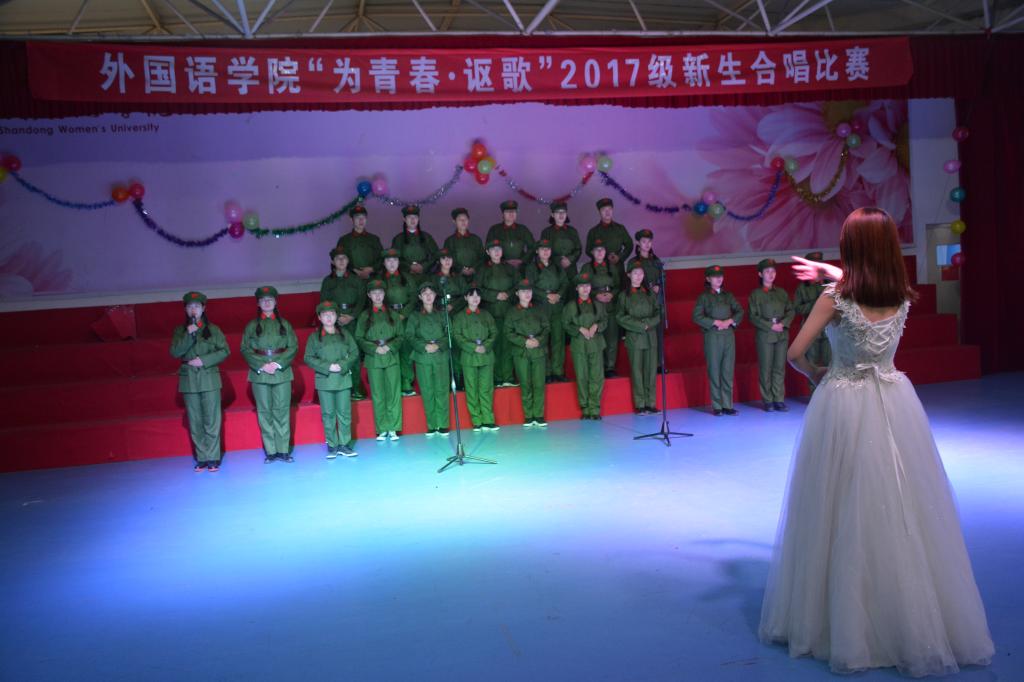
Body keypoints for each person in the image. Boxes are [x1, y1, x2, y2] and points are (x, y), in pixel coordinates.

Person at [759, 207, 993, 676]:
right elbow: (864, 284)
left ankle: (844, 616)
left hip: (844, 401)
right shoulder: (901, 295)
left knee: (839, 502)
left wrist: (817, 372)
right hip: (893, 398)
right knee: (899, 501)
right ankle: (907, 610)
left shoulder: (835, 299)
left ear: (850, 248)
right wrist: (833, 272)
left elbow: (796, 352)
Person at [170, 291, 230, 471]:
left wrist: (204, 360)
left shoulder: (213, 329)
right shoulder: (180, 330)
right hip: (189, 378)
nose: (193, 309)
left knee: (212, 419)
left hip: (209, 376)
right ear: (185, 309)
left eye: (196, 306)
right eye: (190, 306)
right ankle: (202, 457)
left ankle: (213, 457)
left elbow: (225, 351)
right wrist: (189, 334)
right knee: (195, 420)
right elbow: (174, 352)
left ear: (204, 308)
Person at [241, 286, 299, 462]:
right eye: (263, 300)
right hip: (260, 373)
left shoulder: (284, 324)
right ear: (258, 303)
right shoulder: (252, 326)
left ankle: (283, 450)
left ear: (276, 302)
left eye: (270, 299)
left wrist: (277, 363)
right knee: (264, 412)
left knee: (282, 412)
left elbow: (293, 346)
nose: (267, 302)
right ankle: (271, 451)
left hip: (281, 371)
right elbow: (245, 349)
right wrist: (262, 365)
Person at [304, 300, 360, 458]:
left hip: (343, 379)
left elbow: (354, 352)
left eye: (332, 314)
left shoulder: (345, 334)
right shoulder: (314, 337)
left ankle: (344, 444)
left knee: (344, 413)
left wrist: (342, 365)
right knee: (328, 414)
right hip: (325, 380)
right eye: (325, 314)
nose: (329, 317)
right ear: (319, 317)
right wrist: (328, 366)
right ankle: (332, 445)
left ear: (337, 316)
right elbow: (308, 357)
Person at [354, 279, 403, 441]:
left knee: (393, 393)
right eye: (374, 293)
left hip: (391, 356)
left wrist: (389, 346)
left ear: (384, 294)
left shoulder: (393, 315)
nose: (377, 296)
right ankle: (382, 428)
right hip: (373, 357)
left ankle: (393, 427)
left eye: (380, 292)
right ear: (369, 295)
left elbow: (401, 336)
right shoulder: (364, 316)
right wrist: (374, 348)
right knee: (378, 394)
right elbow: (359, 337)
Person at [691, 265, 743, 416]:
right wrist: (714, 322)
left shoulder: (728, 296)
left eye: (721, 276)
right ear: (708, 279)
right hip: (713, 336)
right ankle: (717, 406)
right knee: (714, 370)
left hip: (728, 335)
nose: (719, 278)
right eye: (715, 276)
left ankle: (727, 405)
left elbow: (740, 311)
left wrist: (730, 321)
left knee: (727, 370)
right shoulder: (704, 297)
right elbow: (696, 316)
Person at [319, 246, 367, 400]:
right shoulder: (328, 281)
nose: (341, 261)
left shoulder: (356, 279)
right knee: (337, 354)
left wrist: (352, 316)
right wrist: (336, 317)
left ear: (348, 261)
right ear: (333, 261)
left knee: (354, 354)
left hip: (353, 321)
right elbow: (324, 301)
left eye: (344, 258)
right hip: (334, 322)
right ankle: (340, 387)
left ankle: (356, 388)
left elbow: (362, 300)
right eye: (338, 258)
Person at [404, 282, 452, 436]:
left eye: (431, 293)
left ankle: (443, 424)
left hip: (440, 356)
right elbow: (409, 335)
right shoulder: (415, 316)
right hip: (423, 357)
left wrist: (439, 345)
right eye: (425, 293)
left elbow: (449, 333)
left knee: (442, 390)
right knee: (427, 390)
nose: (428, 296)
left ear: (435, 295)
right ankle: (432, 425)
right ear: (420, 297)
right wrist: (424, 346)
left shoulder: (442, 314)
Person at [748, 258, 795, 412]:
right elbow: (753, 316)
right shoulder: (756, 294)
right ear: (760, 274)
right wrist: (770, 326)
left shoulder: (781, 293)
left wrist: (783, 323)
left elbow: (790, 310)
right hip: (766, 334)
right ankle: (768, 400)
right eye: (767, 271)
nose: (771, 274)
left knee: (779, 368)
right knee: (766, 368)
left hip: (781, 333)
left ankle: (779, 399)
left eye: (773, 271)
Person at [451, 287, 499, 431]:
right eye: (472, 295)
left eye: (478, 295)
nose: (475, 298)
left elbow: (494, 332)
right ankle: (477, 420)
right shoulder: (459, 317)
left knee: (486, 389)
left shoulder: (486, 315)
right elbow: (457, 336)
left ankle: (488, 420)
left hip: (486, 356)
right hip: (469, 357)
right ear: (466, 298)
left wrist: (486, 346)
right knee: (471, 389)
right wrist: (473, 347)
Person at [505, 278, 551, 427]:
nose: (527, 294)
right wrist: (524, 342)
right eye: (523, 291)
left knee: (539, 384)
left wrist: (539, 340)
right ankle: (528, 416)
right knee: (525, 384)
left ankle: (539, 415)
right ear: (517, 293)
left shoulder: (539, 310)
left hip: (538, 351)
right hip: (521, 352)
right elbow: (508, 332)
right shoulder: (512, 312)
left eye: (529, 291)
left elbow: (546, 328)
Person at [617, 261, 661, 415]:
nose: (638, 276)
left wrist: (649, 323)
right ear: (629, 275)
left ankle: (651, 403)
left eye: (641, 273)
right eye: (635, 273)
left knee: (651, 371)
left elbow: (658, 312)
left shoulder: (650, 293)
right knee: (637, 371)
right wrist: (640, 325)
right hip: (635, 338)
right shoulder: (624, 296)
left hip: (650, 337)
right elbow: (620, 317)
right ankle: (640, 404)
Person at [562, 272, 607, 420]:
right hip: (579, 345)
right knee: (582, 377)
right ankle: (585, 408)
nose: (585, 289)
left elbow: (605, 320)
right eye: (581, 286)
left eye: (587, 285)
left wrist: (596, 326)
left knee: (597, 376)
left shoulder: (598, 305)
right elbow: (565, 324)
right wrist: (579, 329)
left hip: (596, 344)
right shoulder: (570, 307)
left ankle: (595, 408)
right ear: (576, 288)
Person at [525, 238, 570, 383]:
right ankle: (546, 372)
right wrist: (546, 295)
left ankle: (558, 371)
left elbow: (565, 283)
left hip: (557, 305)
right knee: (542, 339)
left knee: (558, 339)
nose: (545, 251)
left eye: (548, 249)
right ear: (537, 251)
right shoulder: (532, 267)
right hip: (541, 306)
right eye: (542, 249)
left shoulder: (557, 266)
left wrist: (558, 295)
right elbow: (529, 286)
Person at [580, 239, 622, 378]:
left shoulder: (612, 267)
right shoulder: (587, 267)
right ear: (592, 252)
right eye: (597, 250)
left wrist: (612, 294)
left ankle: (610, 367)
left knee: (612, 337)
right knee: (597, 336)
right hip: (594, 306)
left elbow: (618, 285)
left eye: (602, 250)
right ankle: (599, 366)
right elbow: (582, 286)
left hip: (610, 304)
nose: (600, 252)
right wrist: (595, 295)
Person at [479, 239, 518, 388]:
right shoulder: (483, 270)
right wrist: (495, 295)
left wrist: (507, 294)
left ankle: (507, 377)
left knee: (507, 345)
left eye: (499, 249)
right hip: (491, 313)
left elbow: (519, 286)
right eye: (493, 249)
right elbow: (477, 290)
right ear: (488, 252)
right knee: (493, 345)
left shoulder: (510, 269)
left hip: (508, 312)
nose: (496, 252)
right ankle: (496, 378)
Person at [793, 251, 832, 390]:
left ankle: (830, 394)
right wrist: (815, 305)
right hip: (810, 330)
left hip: (828, 330)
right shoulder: (802, 288)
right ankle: (814, 395)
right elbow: (797, 308)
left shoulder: (830, 286)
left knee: (830, 364)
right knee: (812, 366)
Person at [380, 247, 417, 397]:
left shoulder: (406, 278)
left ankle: (407, 381)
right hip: (387, 319)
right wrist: (392, 315)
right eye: (388, 260)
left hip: (405, 318)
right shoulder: (380, 279)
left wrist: (404, 313)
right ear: (384, 263)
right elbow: (377, 299)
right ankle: (394, 383)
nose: (392, 263)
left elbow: (414, 297)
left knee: (406, 349)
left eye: (394, 260)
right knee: (391, 349)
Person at [433, 248, 467, 388]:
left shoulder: (458, 277)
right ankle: (447, 378)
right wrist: (441, 306)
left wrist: (454, 306)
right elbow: (430, 296)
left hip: (457, 313)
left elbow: (466, 295)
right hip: (441, 314)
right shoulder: (434, 278)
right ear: (439, 261)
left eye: (449, 258)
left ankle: (459, 377)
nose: (447, 261)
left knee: (458, 344)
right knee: (444, 344)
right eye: (444, 258)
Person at [586, 197, 632, 283]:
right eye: (604, 210)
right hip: (600, 269)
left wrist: (619, 257)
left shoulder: (620, 228)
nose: (607, 212)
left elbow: (629, 245)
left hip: (618, 267)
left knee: (620, 288)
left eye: (609, 209)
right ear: (599, 212)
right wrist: (602, 258)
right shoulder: (593, 231)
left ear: (612, 210)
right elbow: (588, 250)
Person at [391, 205, 438, 287]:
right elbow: (394, 258)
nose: (412, 220)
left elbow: (436, 255)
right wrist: (409, 267)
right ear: (404, 219)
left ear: (418, 219)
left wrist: (423, 266)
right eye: (409, 217)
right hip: (405, 276)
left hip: (425, 276)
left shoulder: (427, 237)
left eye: (415, 217)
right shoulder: (398, 238)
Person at [485, 200, 535, 273]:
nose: (511, 214)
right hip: (500, 267)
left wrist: (522, 260)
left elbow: (532, 247)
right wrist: (503, 261)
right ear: (502, 214)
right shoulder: (494, 230)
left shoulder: (523, 229)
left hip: (521, 267)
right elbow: (488, 249)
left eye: (514, 211)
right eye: (508, 211)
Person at [336, 204, 383, 280]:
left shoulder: (374, 239)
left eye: (363, 217)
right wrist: (356, 271)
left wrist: (371, 269)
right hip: (351, 280)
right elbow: (339, 259)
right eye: (357, 217)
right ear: (351, 219)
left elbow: (382, 258)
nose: (361, 220)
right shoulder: (344, 240)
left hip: (373, 280)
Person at [539, 201, 582, 278]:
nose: (561, 215)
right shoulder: (546, 232)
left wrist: (569, 259)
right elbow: (543, 251)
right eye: (558, 212)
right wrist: (559, 260)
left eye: (563, 212)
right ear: (552, 215)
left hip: (571, 269)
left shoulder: (573, 231)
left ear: (566, 214)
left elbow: (578, 249)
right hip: (554, 269)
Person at [442, 207, 485, 282]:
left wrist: (473, 268)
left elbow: (482, 257)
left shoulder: (476, 239)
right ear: (454, 221)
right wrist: (460, 269)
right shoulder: (449, 241)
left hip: (476, 277)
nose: (463, 221)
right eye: (460, 219)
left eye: (465, 219)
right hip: (457, 277)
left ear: (468, 221)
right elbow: (446, 259)